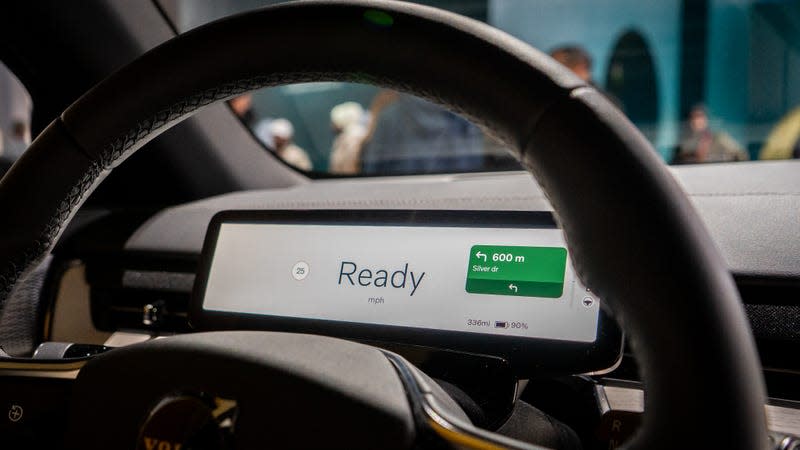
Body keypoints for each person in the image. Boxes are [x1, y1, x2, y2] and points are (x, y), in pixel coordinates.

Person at [673, 104, 748, 164]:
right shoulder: (684, 142)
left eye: (700, 117)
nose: (696, 121)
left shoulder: (719, 138)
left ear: (706, 119)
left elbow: (740, 154)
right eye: (693, 117)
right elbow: (676, 162)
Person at [328, 101, 369, 175]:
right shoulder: (343, 138)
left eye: (333, 121)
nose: (332, 125)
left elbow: (351, 165)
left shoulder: (354, 137)